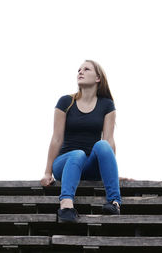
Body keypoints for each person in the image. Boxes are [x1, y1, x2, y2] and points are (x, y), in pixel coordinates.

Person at [40, 59, 125, 223]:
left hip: (91, 166)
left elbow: (109, 141)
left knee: (102, 144)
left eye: (86, 69)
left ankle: (114, 203)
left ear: (98, 78)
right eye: (79, 70)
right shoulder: (65, 102)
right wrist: (47, 173)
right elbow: (57, 139)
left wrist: (112, 172)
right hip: (65, 164)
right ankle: (66, 205)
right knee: (77, 154)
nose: (80, 72)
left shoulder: (107, 105)